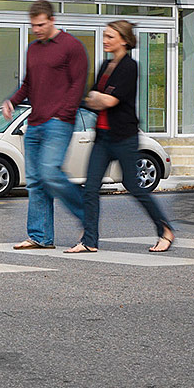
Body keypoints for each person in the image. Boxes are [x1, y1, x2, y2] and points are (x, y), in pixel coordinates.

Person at [70, 20, 176, 253]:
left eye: (110, 36)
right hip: (103, 137)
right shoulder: (105, 66)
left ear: (124, 40)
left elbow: (108, 100)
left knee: (133, 185)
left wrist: (99, 97)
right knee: (90, 188)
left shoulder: (130, 67)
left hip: (124, 136)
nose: (105, 40)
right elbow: (93, 100)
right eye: (105, 36)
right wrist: (97, 98)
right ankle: (89, 241)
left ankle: (165, 229)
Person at [5, 1, 89, 249]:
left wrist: (63, 114)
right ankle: (40, 236)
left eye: (41, 25)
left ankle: (88, 217)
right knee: (35, 181)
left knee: (50, 172)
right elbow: (28, 85)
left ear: (52, 20)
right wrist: (12, 101)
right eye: (33, 26)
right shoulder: (33, 49)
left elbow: (77, 85)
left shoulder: (72, 46)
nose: (37, 30)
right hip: (35, 123)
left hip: (58, 123)